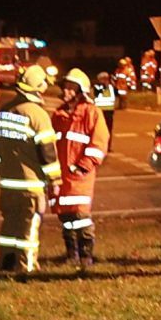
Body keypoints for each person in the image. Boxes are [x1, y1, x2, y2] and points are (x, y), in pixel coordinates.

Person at [0, 64, 60, 273]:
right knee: (28, 228)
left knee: (9, 227)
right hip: (30, 185)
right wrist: (55, 180)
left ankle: (6, 263)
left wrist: (1, 168)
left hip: (8, 184)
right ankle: (26, 267)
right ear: (39, 88)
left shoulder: (3, 111)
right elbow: (47, 152)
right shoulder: (38, 115)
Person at [52, 68, 109, 269]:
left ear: (80, 91)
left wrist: (82, 167)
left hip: (80, 177)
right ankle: (71, 254)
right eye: (65, 87)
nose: (66, 91)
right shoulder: (58, 115)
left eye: (71, 88)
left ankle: (86, 255)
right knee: (65, 216)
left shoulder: (91, 113)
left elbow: (99, 143)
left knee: (81, 216)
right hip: (61, 176)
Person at [92, 71, 116, 151]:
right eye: (103, 79)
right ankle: (99, 146)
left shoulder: (111, 87)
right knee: (99, 130)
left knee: (108, 131)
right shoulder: (97, 87)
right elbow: (97, 93)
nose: (105, 80)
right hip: (99, 112)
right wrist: (103, 86)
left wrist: (113, 83)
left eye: (106, 79)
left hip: (109, 112)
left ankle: (108, 147)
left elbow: (117, 93)